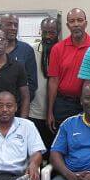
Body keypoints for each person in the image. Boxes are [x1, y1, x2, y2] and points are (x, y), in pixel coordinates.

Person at [47, 8, 90, 132]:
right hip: (63, 104)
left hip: (89, 103)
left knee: (87, 138)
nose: (76, 24)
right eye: (72, 21)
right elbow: (53, 81)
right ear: (67, 25)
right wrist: (49, 111)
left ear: (85, 23)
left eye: (79, 20)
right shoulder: (57, 48)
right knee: (64, 139)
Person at [0, 14, 37, 102]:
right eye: (9, 24)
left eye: (16, 25)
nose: (13, 28)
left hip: (17, 106)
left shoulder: (26, 50)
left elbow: (32, 83)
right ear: (0, 27)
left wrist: (18, 104)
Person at [30, 17, 60, 155]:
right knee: (37, 154)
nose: (48, 36)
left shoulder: (62, 50)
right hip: (35, 112)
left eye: (52, 32)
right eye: (45, 32)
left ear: (58, 33)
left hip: (57, 112)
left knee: (55, 152)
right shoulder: (32, 50)